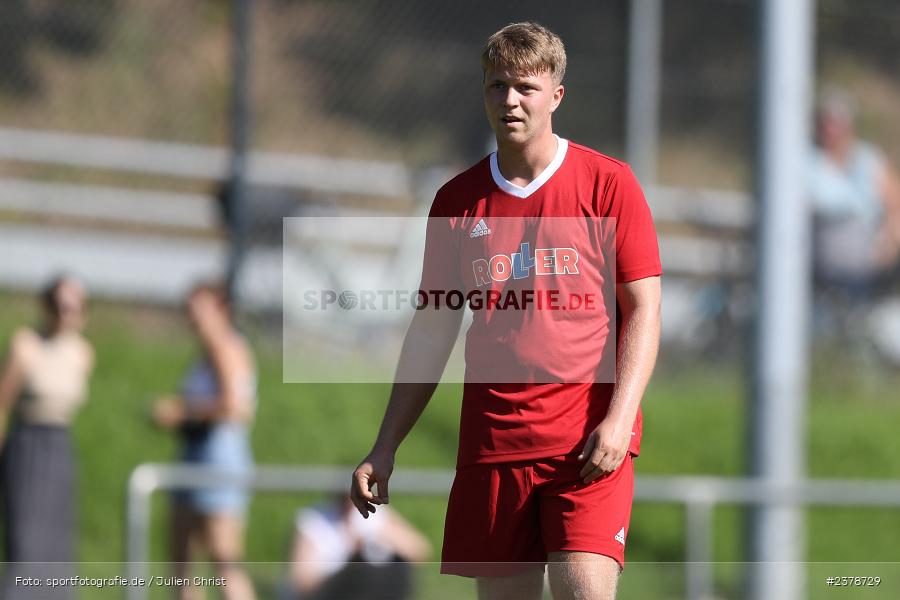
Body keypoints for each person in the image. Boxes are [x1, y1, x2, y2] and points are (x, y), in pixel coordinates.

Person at [350, 22, 661, 600]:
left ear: (556, 96)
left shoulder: (608, 184)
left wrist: (619, 420)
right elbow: (433, 328)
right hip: (494, 445)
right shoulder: (456, 201)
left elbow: (644, 310)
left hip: (586, 447)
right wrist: (385, 444)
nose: (510, 100)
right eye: (498, 86)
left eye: (526, 87)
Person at [153, 283, 257, 600]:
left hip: (217, 456)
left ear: (221, 310)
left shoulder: (225, 347)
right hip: (197, 453)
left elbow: (235, 407)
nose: (193, 317)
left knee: (224, 562)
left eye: (200, 310)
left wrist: (180, 411)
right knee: (183, 563)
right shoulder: (208, 351)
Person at [0, 276, 94, 600]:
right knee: (27, 539)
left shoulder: (82, 352)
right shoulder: (26, 345)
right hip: (28, 445)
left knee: (57, 541)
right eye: (61, 306)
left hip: (59, 446)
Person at [808, 88, 900, 312]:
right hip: (821, 259)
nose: (831, 129)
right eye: (826, 122)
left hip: (869, 261)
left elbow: (895, 205)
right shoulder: (806, 160)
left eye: (837, 122)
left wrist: (886, 248)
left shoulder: (868, 158)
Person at [286, 494, 431, 600]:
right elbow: (303, 584)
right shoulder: (314, 520)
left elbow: (419, 550)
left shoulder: (376, 515)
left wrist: (381, 534)